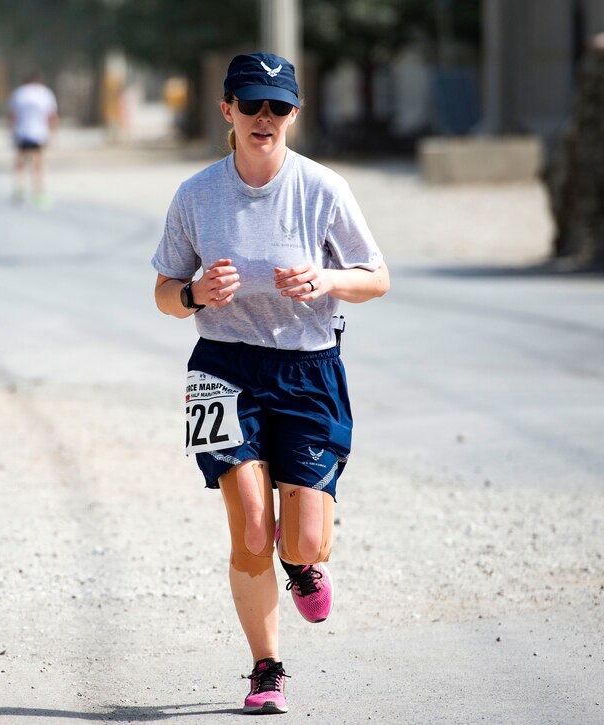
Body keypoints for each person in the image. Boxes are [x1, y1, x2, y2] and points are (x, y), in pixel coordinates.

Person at [151, 52, 389, 715]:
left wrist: (329, 280)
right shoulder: (198, 194)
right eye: (251, 104)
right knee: (252, 527)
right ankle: (266, 665)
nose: (265, 118)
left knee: (302, 537)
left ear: (294, 113)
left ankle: (303, 562)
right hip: (223, 368)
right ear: (226, 108)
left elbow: (377, 276)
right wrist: (194, 291)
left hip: (309, 369)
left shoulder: (324, 189)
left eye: (277, 106)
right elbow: (164, 294)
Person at [7, 72, 58, 207]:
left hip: (22, 132)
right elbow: (51, 116)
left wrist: (11, 131)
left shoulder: (19, 93)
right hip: (39, 133)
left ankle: (18, 190)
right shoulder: (45, 93)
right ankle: (38, 192)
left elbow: (12, 115)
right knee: (38, 164)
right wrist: (53, 133)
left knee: (20, 162)